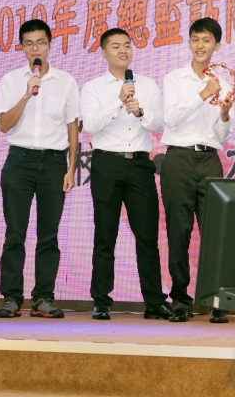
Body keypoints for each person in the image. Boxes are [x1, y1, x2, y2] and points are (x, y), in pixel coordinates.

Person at [80, 28, 171, 321]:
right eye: (116, 46)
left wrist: (141, 111)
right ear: (103, 53)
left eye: (127, 45)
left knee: (147, 236)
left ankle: (154, 301)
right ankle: (101, 300)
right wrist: (118, 101)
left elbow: (161, 123)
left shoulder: (148, 85)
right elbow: (90, 125)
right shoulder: (93, 88)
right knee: (105, 234)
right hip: (107, 164)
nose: (123, 50)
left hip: (140, 165)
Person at [0, 19, 79, 319]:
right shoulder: (11, 80)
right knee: (14, 233)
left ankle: (43, 297)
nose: (35, 49)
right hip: (19, 161)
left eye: (40, 43)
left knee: (48, 235)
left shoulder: (66, 81)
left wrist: (70, 169)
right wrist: (27, 94)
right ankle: (11, 298)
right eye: (29, 44)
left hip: (54, 163)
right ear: (22, 48)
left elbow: (72, 128)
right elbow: (3, 125)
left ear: (50, 45)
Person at [160, 17, 234, 324]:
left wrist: (225, 114)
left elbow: (222, 135)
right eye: (195, 39)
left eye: (206, 40)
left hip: (209, 160)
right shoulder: (175, 79)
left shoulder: (223, 82)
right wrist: (203, 94)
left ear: (217, 45)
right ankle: (180, 299)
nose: (200, 46)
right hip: (178, 158)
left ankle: (217, 299)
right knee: (179, 231)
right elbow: (171, 118)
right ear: (189, 42)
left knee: (214, 231)